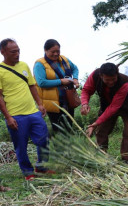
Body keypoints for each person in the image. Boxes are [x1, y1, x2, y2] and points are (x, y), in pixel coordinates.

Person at [0, 38, 53, 180]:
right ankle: (27, 171)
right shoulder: (0, 71)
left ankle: (41, 167)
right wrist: (8, 117)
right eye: (13, 51)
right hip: (15, 115)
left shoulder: (24, 65)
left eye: (18, 50)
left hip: (33, 112)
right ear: (3, 52)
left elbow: (32, 86)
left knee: (43, 139)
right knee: (21, 146)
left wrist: (40, 104)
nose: (17, 54)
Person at [80, 62, 128, 164]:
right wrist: (84, 104)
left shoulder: (124, 82)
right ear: (101, 76)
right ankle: (101, 155)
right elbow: (86, 90)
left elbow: (114, 107)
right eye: (107, 80)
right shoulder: (95, 75)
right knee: (101, 130)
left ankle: (127, 158)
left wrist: (95, 123)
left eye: (113, 79)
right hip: (108, 105)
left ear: (117, 74)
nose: (111, 82)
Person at [34, 39, 80, 133]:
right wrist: (61, 81)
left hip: (68, 99)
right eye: (52, 52)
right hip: (53, 103)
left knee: (69, 128)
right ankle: (59, 148)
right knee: (59, 131)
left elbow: (75, 68)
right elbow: (41, 83)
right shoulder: (39, 64)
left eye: (57, 51)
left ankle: (69, 148)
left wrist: (75, 79)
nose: (55, 54)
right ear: (45, 50)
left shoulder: (64, 59)